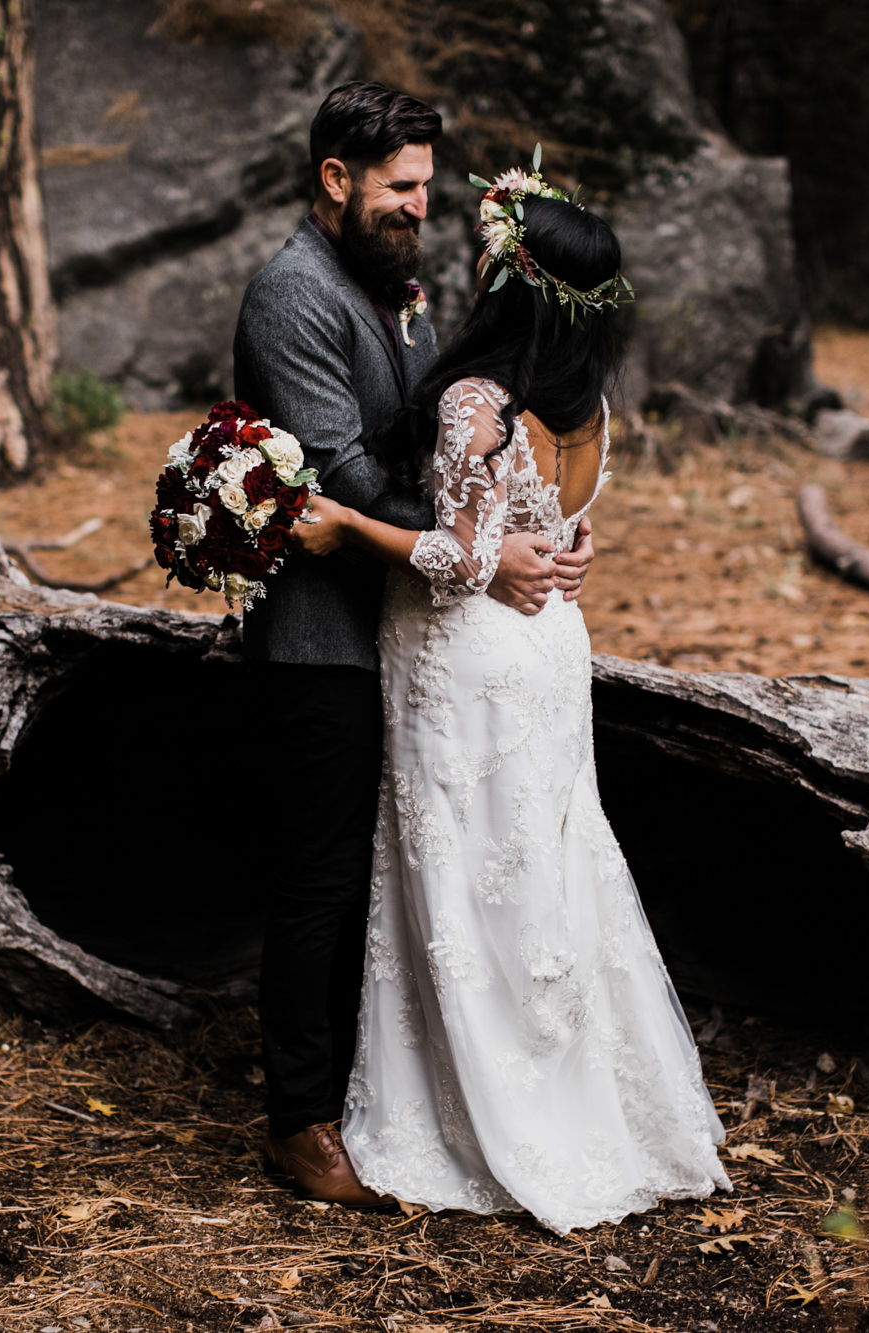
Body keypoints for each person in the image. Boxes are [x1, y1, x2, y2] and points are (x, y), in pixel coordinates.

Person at [288, 166, 730, 1233]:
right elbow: (566, 535)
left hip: (466, 657)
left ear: (506, 276)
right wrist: (554, 552)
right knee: (544, 866)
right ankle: (577, 1098)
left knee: (461, 874)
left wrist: (348, 528)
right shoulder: (587, 408)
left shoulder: (478, 402)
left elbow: (460, 558)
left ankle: (487, 1109)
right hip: (549, 656)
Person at [232, 82, 596, 1206]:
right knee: (323, 883)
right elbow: (343, 472)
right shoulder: (291, 297)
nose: (417, 210)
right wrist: (482, 546)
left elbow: (449, 447)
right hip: (317, 637)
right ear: (333, 178)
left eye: (427, 191)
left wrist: (504, 516)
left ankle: (396, 1091)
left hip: (405, 629)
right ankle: (297, 1120)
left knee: (398, 879)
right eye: (398, 189)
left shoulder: (394, 287)